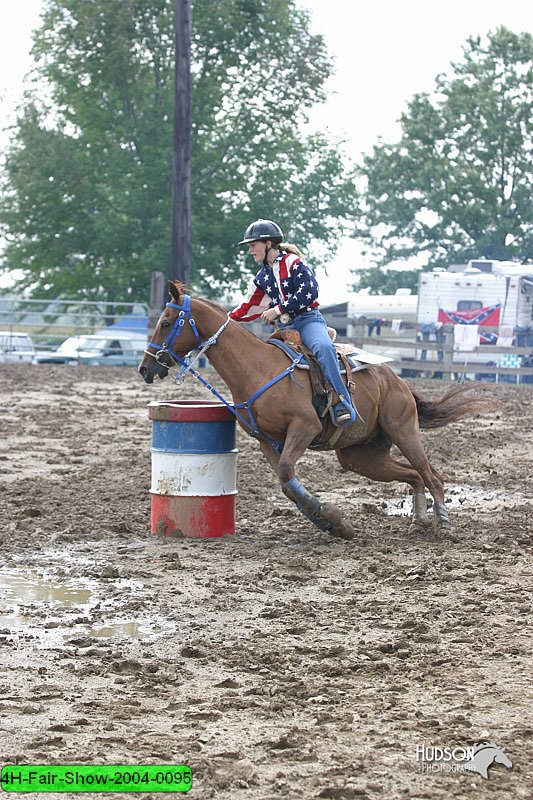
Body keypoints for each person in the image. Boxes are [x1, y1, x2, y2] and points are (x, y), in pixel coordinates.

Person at [229, 219, 356, 427]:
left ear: (268, 243)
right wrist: (225, 321)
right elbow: (249, 306)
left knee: (323, 348)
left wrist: (277, 309)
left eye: (253, 245)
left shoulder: (293, 263)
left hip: (308, 320)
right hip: (285, 328)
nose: (250, 250)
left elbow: (309, 291)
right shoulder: (261, 277)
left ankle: (342, 401)